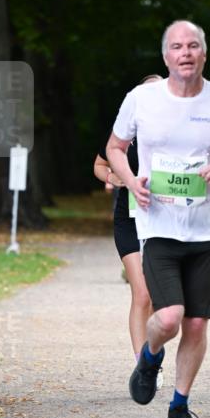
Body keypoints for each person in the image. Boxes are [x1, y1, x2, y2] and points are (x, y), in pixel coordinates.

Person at [106, 20, 210, 418]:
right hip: (159, 226)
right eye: (176, 47)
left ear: (204, 53)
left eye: (192, 46)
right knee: (168, 318)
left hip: (205, 231)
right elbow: (115, 148)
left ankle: (179, 408)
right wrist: (131, 181)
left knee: (198, 325)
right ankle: (150, 358)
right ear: (165, 56)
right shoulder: (142, 99)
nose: (185, 53)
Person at [94, 75, 162, 379]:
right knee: (143, 294)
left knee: (163, 300)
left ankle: (154, 351)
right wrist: (114, 178)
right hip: (130, 219)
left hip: (165, 220)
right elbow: (99, 164)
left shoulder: (176, 131)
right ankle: (145, 366)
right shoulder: (122, 134)